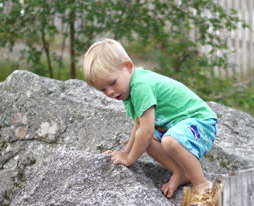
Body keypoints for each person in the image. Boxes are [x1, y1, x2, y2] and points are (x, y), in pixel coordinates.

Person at [83, 39, 218, 198]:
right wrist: (124, 152)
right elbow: (140, 126)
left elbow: (145, 130)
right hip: (178, 128)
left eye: (112, 83)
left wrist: (129, 158)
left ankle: (201, 182)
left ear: (128, 66)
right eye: (103, 89)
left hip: (201, 123)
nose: (110, 92)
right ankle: (181, 171)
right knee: (148, 141)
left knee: (169, 141)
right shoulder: (127, 91)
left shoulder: (140, 85)